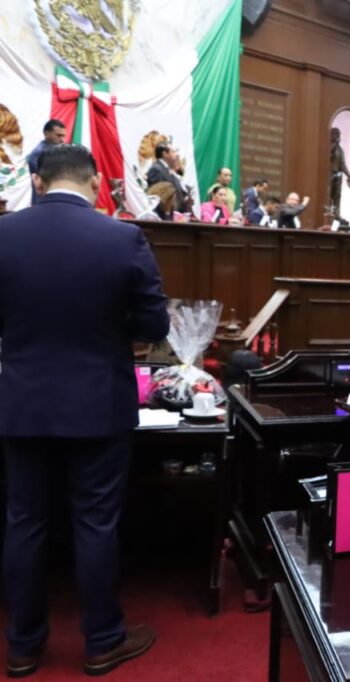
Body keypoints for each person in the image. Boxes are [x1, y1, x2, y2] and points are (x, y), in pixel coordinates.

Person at [0, 145, 169, 676]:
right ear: (95, 182)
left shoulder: (4, 234)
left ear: (39, 181)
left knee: (24, 522)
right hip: (99, 402)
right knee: (96, 523)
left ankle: (23, 646)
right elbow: (155, 325)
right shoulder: (122, 238)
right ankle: (102, 641)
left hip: (22, 402)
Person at [26, 119, 66, 206]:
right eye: (58, 135)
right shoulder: (39, 153)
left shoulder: (57, 151)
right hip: (44, 203)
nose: (62, 140)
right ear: (46, 133)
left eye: (63, 136)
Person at [145, 144, 188, 212]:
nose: (176, 155)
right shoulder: (156, 169)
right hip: (164, 214)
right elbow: (158, 195)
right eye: (173, 152)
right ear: (165, 154)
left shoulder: (167, 169)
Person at [329, 127, 350, 210]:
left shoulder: (340, 150)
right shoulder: (328, 147)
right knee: (328, 195)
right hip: (329, 176)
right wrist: (334, 144)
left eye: (338, 134)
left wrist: (349, 176)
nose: (337, 136)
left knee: (337, 196)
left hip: (338, 176)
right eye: (335, 134)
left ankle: (336, 212)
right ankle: (328, 213)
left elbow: (343, 165)